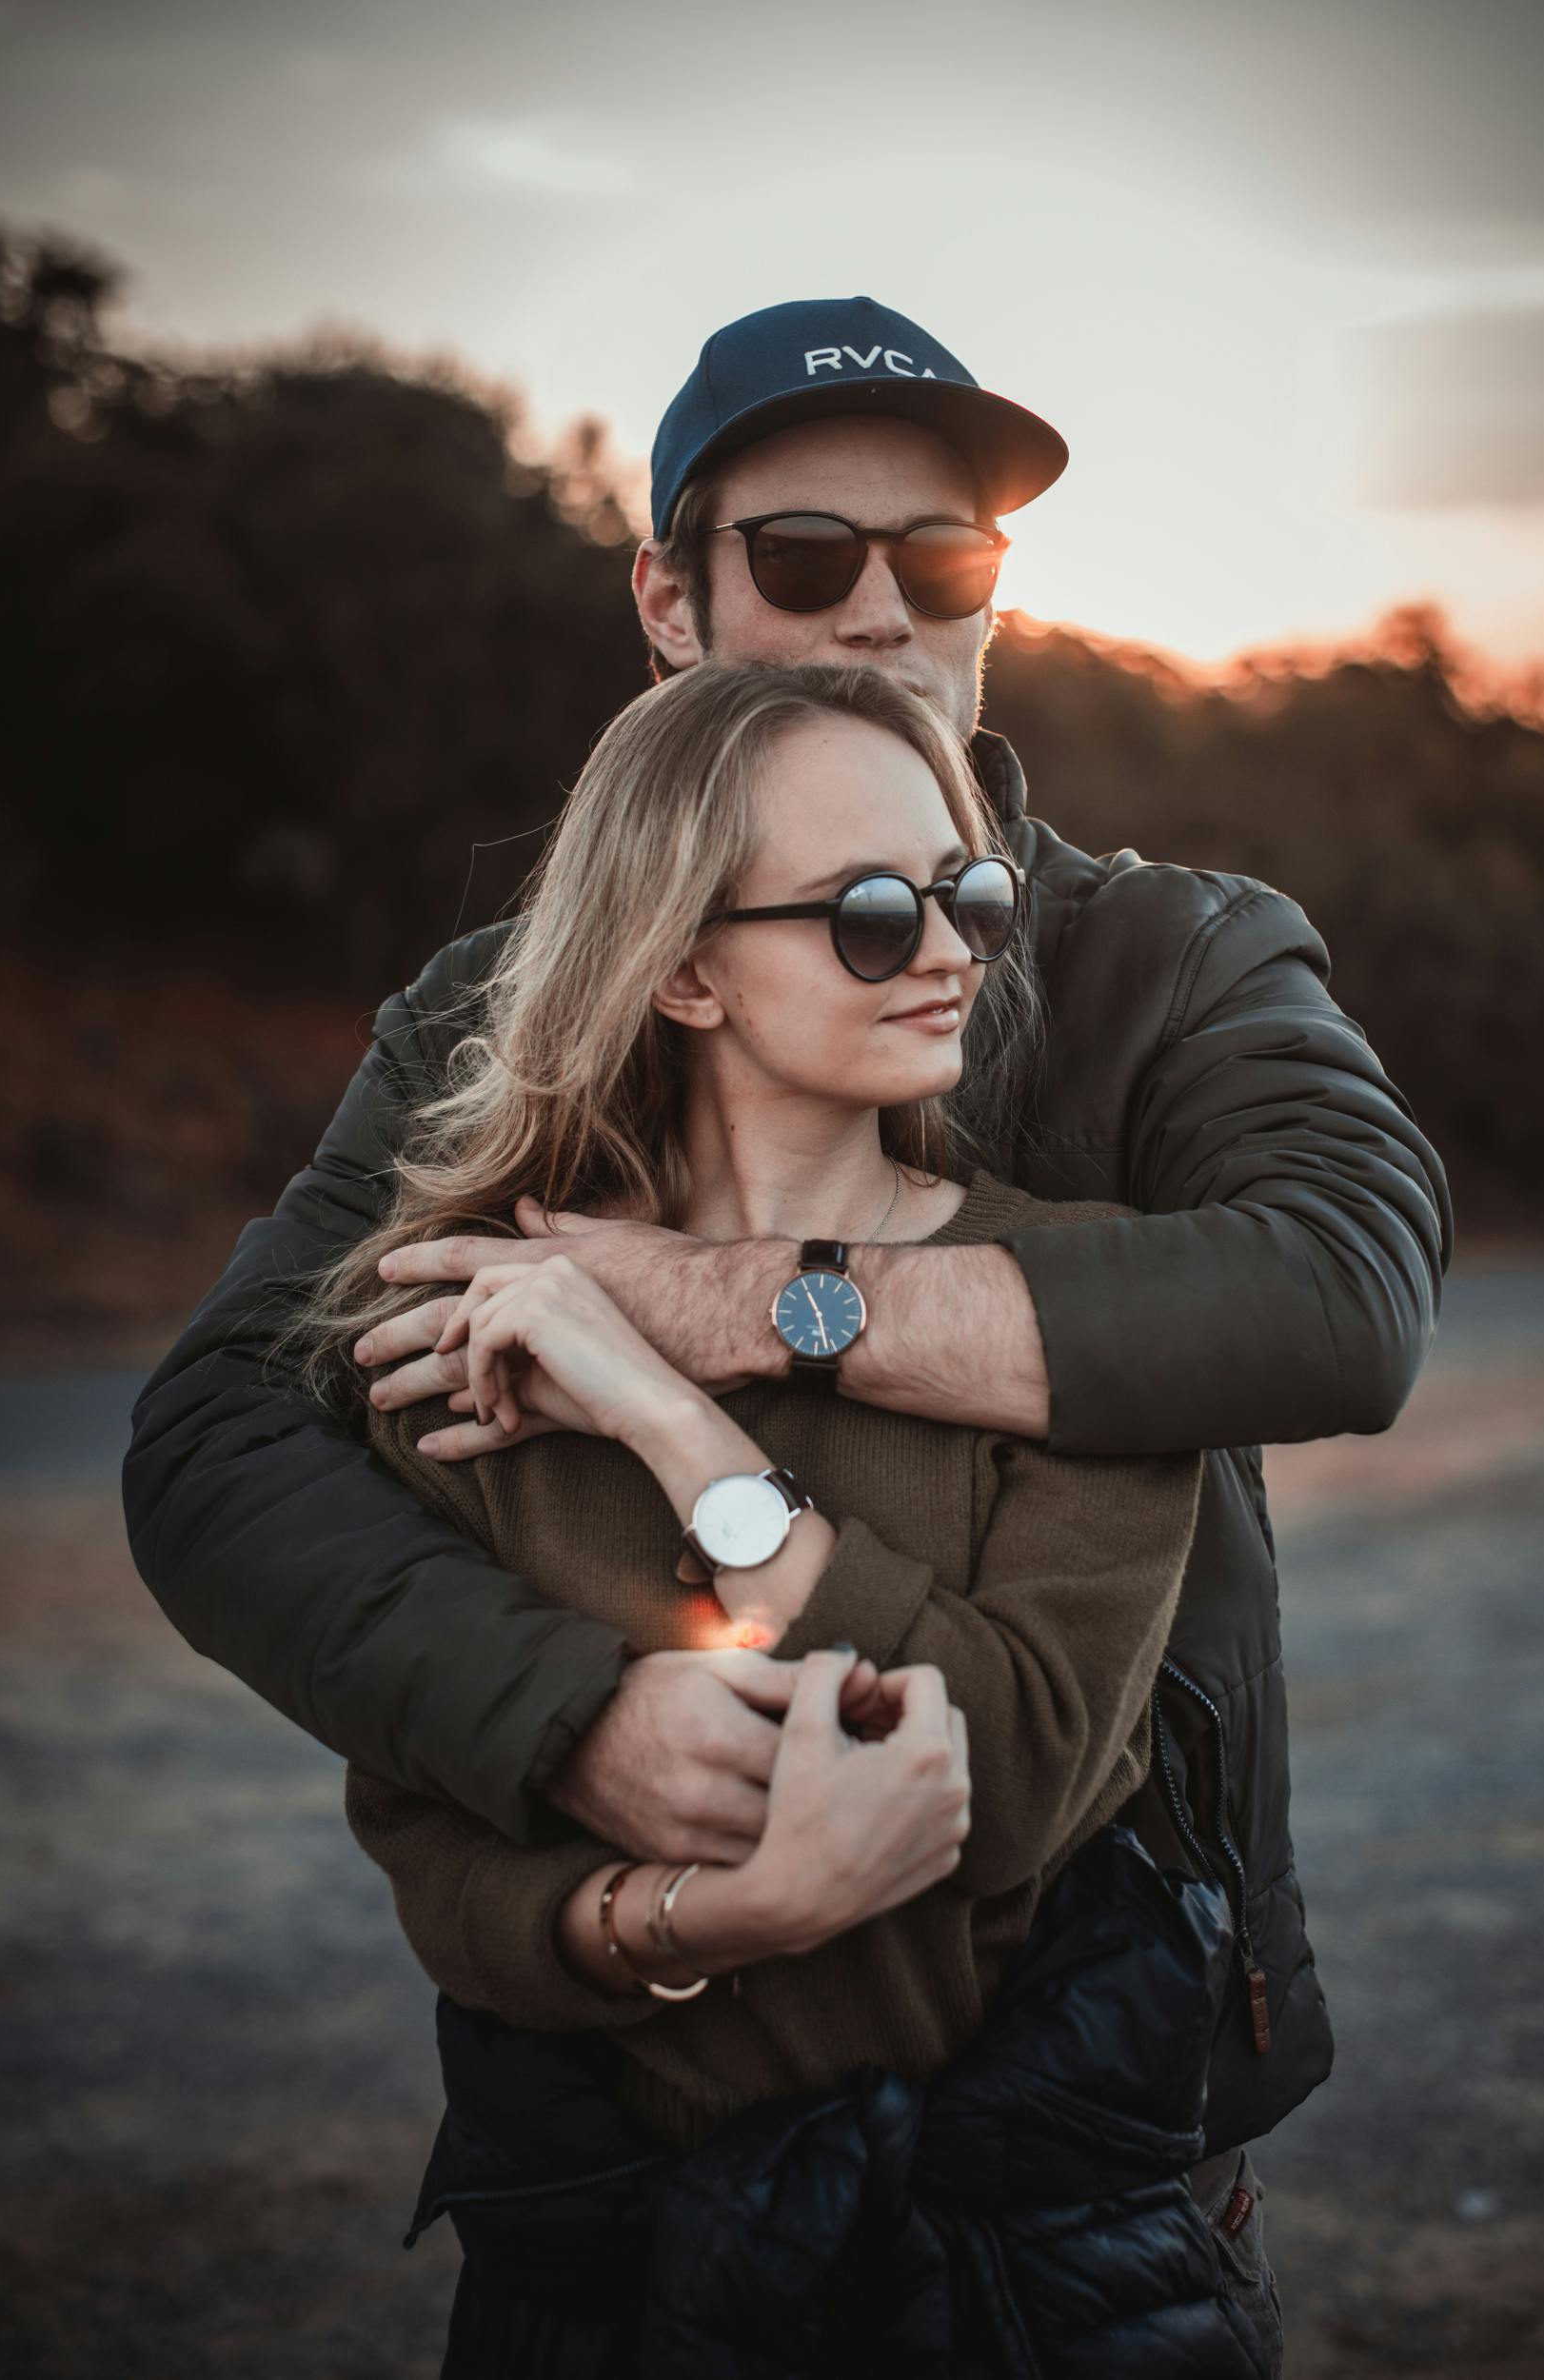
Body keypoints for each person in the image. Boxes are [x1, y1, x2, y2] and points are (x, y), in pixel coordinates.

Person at [124, 297, 1455, 2369]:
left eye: (944, 564)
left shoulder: (1163, 956)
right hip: (616, 2133)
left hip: (1084, 2099)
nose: (880, 614)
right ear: (668, 592)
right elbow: (223, 1439)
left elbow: (1344, 1293)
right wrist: (580, 1724)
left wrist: (726, 1310)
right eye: (805, 555)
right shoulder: (510, 1005)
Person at [284, 657, 1265, 2373]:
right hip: (587, 2281)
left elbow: (1012, 1771)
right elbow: (435, 1840)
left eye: (972, 893)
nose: (954, 947)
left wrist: (673, 1417)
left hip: (1023, 2286)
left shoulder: (1078, 1303)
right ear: (678, 967)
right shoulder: (482, 1326)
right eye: (876, 911)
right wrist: (696, 1926)